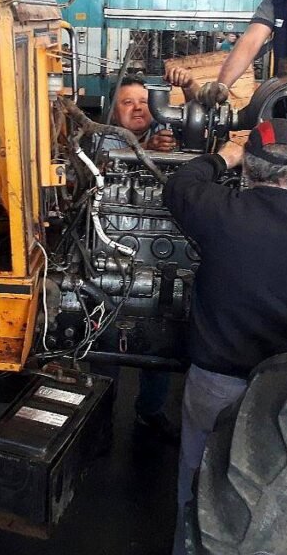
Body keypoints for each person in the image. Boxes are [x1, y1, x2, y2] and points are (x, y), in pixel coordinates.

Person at [162, 119, 287, 555]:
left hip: (216, 382)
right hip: (283, 389)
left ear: (248, 166)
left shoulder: (220, 211)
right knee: (272, 488)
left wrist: (223, 157)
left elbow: (179, 185)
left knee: (197, 484)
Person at [91, 73, 180, 442]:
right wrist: (148, 152)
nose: (138, 108)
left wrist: (168, 150)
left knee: (160, 343)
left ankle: (150, 411)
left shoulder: (172, 137)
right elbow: (97, 169)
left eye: (144, 102)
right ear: (114, 112)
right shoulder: (102, 141)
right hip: (108, 257)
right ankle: (99, 417)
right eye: (127, 103)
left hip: (162, 259)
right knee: (103, 342)